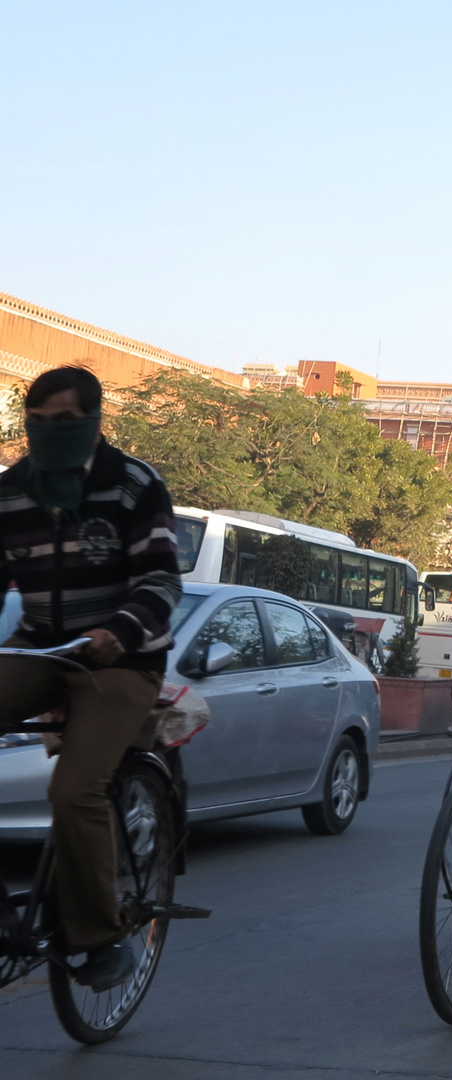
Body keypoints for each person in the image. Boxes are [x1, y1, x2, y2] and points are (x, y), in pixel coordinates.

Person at [0, 366, 180, 990]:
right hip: (40, 647)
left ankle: (102, 940)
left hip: (122, 659)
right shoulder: (11, 491)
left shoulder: (133, 485)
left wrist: (120, 631)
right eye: (38, 423)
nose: (49, 434)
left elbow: (161, 581)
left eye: (64, 423)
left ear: (95, 423)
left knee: (74, 790)